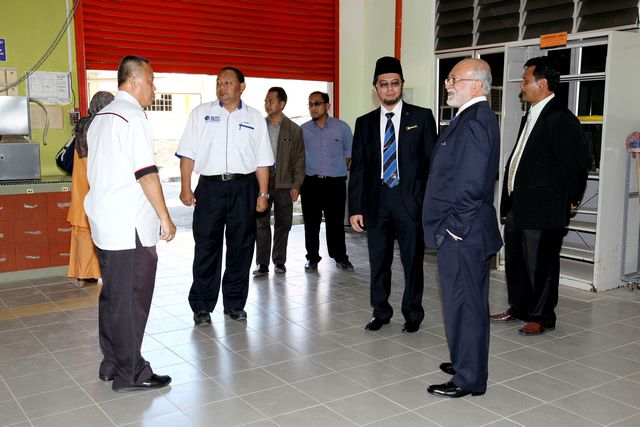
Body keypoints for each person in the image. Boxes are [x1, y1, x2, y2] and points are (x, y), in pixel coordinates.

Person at [84, 55, 176, 392]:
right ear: (134, 80)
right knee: (132, 299)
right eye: (151, 81)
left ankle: (112, 362)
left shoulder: (101, 117)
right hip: (129, 227)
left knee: (113, 297)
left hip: (104, 222)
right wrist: (165, 217)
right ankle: (131, 372)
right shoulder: (133, 116)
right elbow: (146, 173)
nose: (154, 88)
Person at [423, 58, 503, 398]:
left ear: (477, 85)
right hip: (466, 231)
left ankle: (469, 378)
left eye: (454, 78)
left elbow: (470, 185)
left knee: (465, 306)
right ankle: (466, 362)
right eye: (448, 79)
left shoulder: (474, 122)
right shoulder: (471, 117)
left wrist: (453, 230)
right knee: (465, 303)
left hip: (463, 233)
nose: (448, 84)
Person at [491, 56, 587, 335]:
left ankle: (542, 316)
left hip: (544, 206)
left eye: (525, 81)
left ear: (542, 83)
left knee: (541, 264)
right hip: (520, 203)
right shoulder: (531, 115)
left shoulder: (560, 118)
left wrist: (572, 198)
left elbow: (575, 163)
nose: (521, 86)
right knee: (517, 262)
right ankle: (519, 308)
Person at [177, 67, 273, 326]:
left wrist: (263, 193)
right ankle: (202, 305)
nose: (222, 87)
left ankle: (234, 303)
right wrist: (186, 187)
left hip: (244, 187)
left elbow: (263, 160)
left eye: (228, 82)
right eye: (219, 82)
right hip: (210, 188)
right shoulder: (201, 114)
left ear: (242, 87)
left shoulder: (254, 117)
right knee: (206, 246)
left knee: (241, 247)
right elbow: (187, 153)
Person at [349, 56, 437, 333]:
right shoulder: (364, 123)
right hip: (377, 203)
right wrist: (355, 208)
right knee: (379, 262)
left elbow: (432, 164)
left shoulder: (422, 117)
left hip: (410, 202)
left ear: (402, 85)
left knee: (412, 262)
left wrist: (424, 202)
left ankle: (413, 313)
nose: (390, 89)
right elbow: (358, 168)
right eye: (384, 84)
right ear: (375, 87)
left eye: (395, 83)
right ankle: (381, 312)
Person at [253, 87, 305, 276]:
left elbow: (299, 160)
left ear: (282, 104)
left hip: (285, 184)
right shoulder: (258, 126)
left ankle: (279, 261)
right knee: (261, 223)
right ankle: (262, 264)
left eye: (271, 101)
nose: (267, 104)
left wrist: (296, 185)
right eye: (265, 101)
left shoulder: (294, 129)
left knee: (283, 224)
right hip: (262, 182)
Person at [300, 92, 354, 271]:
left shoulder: (342, 128)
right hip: (310, 183)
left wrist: (334, 168)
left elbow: (349, 153)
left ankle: (340, 257)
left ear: (327, 106)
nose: (313, 108)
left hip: (335, 184)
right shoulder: (303, 130)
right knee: (311, 223)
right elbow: (298, 156)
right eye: (310, 104)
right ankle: (312, 257)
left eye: (317, 103)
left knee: (336, 223)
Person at [67, 91, 113, 285]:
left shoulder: (82, 124)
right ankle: (95, 271)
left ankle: (85, 272)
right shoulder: (102, 126)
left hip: (80, 181)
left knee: (82, 229)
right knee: (96, 229)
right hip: (94, 181)